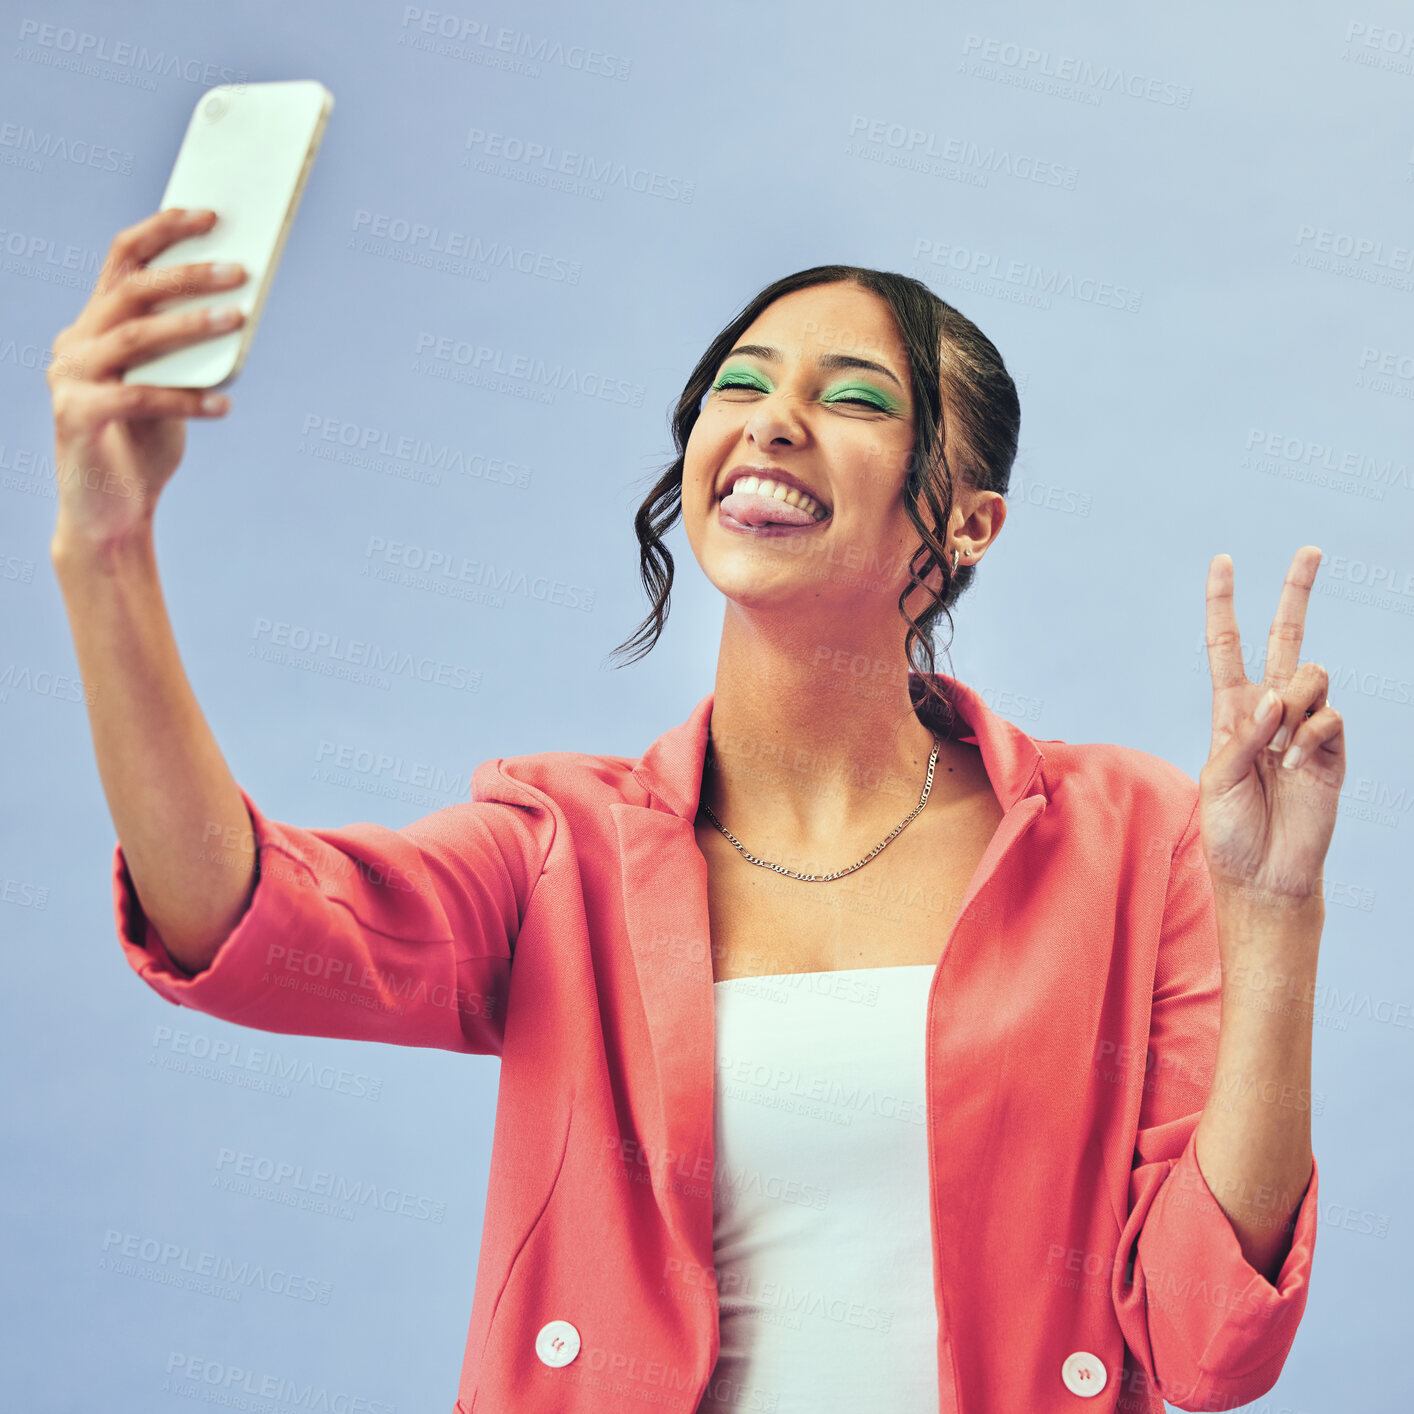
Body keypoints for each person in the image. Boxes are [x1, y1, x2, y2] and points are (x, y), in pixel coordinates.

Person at [48, 208, 1341, 1414]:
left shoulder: (1127, 837)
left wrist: (1274, 918)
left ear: (963, 526)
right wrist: (106, 551)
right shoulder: (563, 853)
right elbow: (240, 915)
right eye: (741, 382)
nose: (773, 419)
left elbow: (1205, 1339)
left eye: (853, 396)